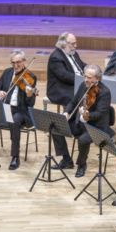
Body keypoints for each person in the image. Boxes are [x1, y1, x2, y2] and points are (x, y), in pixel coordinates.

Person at [0, 50, 37, 171]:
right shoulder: (7, 73)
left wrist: (30, 94)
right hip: (4, 108)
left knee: (14, 121)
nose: (16, 65)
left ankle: (15, 156)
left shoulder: (30, 77)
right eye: (13, 63)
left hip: (21, 111)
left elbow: (30, 104)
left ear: (24, 61)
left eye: (18, 62)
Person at [58, 65, 114, 177]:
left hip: (95, 126)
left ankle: (81, 165)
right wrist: (67, 112)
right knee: (56, 126)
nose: (86, 80)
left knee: (83, 140)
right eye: (85, 76)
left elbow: (100, 113)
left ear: (97, 78)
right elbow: (73, 102)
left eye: (89, 77)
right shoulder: (83, 86)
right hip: (81, 123)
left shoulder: (105, 92)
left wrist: (87, 115)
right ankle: (66, 160)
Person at [46, 32, 85, 169]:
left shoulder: (73, 53)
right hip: (59, 89)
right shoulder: (56, 57)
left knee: (84, 95)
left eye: (75, 43)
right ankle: (76, 125)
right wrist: (84, 79)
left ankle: (82, 123)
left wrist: (92, 71)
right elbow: (64, 76)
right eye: (72, 43)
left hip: (73, 85)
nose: (75, 46)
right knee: (73, 98)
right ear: (63, 43)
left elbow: (82, 66)